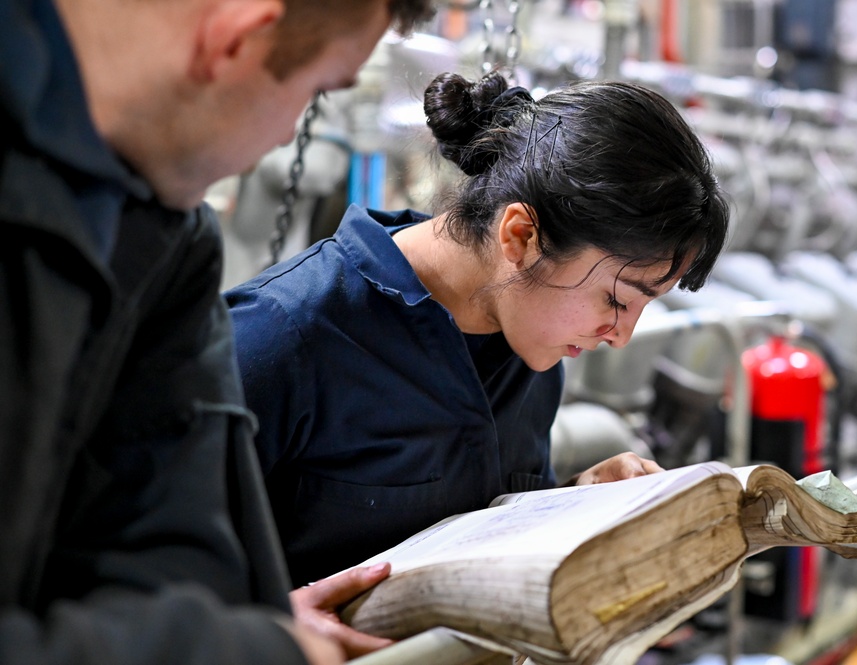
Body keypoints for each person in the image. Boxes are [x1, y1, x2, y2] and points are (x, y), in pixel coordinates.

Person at [1, 0, 432, 663]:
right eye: (314, 90)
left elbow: (153, 544)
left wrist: (254, 612)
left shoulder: (162, 235)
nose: (288, 132)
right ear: (235, 38)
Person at [225, 70, 731, 588]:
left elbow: (471, 525)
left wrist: (575, 498)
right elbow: (152, 580)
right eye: (615, 300)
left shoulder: (531, 347)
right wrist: (276, 630)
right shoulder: (279, 335)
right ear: (521, 235)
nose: (619, 337)